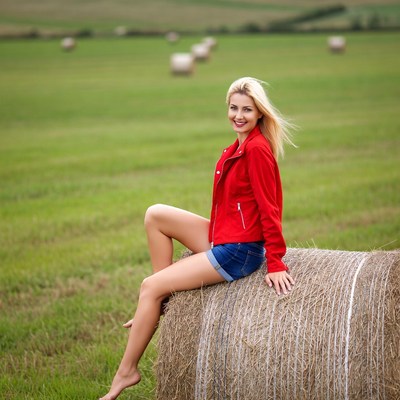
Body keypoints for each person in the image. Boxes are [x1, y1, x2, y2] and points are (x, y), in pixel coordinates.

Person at [99, 76, 295, 400]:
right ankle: (161, 299)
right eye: (233, 108)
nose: (239, 115)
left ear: (259, 112)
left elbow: (270, 209)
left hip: (240, 250)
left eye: (247, 109)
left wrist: (275, 262)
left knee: (149, 286)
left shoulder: (257, 150)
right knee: (155, 214)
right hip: (226, 236)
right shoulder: (239, 145)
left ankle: (127, 370)